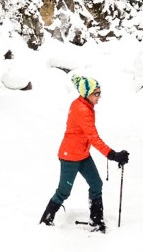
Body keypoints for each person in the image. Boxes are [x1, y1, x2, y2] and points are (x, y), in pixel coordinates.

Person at [38, 75, 129, 232]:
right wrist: (113, 155)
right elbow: (93, 137)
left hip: (83, 154)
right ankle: (45, 221)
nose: (99, 97)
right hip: (70, 157)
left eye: (100, 93)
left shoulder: (84, 104)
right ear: (87, 93)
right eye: (97, 94)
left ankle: (96, 221)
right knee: (63, 192)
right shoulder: (82, 110)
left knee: (96, 184)